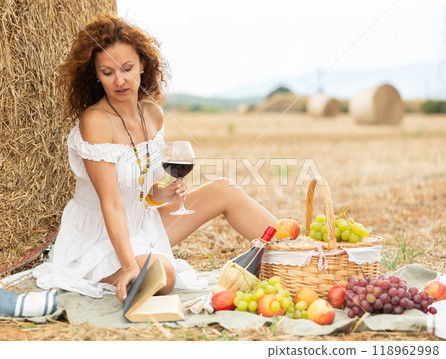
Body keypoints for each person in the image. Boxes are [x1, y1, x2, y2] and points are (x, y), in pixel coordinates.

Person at [33, 14, 277, 303]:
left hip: (143, 224)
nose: (120, 80)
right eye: (107, 72)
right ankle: (126, 268)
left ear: (143, 65)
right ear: (96, 76)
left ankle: (300, 255)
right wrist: (128, 266)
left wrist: (163, 193)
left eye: (127, 68)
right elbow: (111, 203)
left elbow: (139, 189)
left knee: (225, 190)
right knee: (164, 273)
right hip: (99, 237)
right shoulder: (96, 121)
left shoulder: (152, 114)